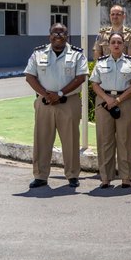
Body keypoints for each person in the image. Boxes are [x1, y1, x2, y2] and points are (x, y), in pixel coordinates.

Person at [25, 23, 89, 189]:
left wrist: (59, 93)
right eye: (55, 32)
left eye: (62, 33)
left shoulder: (77, 54)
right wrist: (46, 95)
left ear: (67, 36)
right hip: (44, 103)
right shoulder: (38, 53)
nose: (58, 35)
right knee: (42, 139)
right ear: (49, 36)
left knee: (71, 140)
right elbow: (30, 77)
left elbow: (80, 77)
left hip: (68, 102)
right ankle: (40, 176)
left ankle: (73, 175)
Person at [89, 32, 131, 189]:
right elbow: (95, 84)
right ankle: (106, 177)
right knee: (105, 140)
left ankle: (126, 178)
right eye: (113, 42)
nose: (116, 45)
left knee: (125, 140)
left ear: (124, 45)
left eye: (119, 42)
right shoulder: (101, 62)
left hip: (124, 101)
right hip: (105, 102)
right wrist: (107, 99)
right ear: (109, 45)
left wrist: (118, 100)